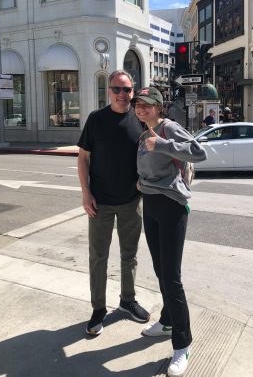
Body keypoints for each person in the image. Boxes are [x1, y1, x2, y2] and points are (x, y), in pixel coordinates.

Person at [131, 86, 207, 377]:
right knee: (161, 270)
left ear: (159, 107)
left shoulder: (168, 128)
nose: (141, 109)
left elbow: (198, 153)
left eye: (148, 105)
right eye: (138, 104)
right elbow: (148, 168)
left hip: (172, 206)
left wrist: (162, 144)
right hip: (151, 204)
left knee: (172, 278)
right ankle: (166, 321)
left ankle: (183, 344)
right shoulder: (143, 133)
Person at [77, 70, 150, 336]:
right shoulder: (96, 120)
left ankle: (127, 301)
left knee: (129, 256)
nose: (122, 94)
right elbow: (83, 158)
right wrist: (86, 194)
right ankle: (98, 308)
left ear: (133, 92)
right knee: (98, 257)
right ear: (108, 91)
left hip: (132, 202)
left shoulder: (140, 120)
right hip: (100, 204)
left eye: (127, 90)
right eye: (117, 89)